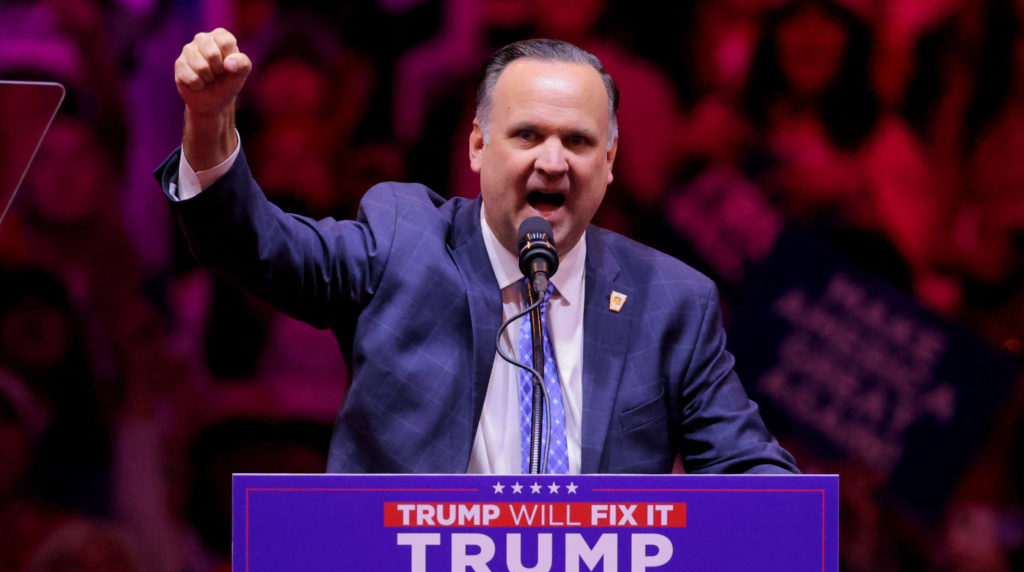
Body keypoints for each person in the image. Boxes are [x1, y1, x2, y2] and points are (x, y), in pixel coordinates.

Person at [156, 28, 798, 476]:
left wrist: (794, 518)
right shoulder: (403, 241)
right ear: (477, 148)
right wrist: (209, 123)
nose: (553, 162)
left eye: (578, 142)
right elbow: (255, 247)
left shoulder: (671, 300)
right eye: (527, 136)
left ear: (609, 163)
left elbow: (747, 467)